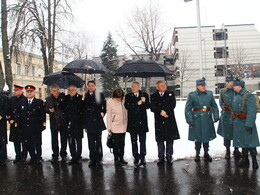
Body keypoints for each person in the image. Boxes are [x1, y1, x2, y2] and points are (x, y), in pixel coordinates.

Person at [185, 78, 219, 162]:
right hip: (197, 119)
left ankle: (206, 152)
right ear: (197, 86)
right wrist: (189, 119)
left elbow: (214, 106)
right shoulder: (192, 95)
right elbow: (188, 108)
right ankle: (197, 153)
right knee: (198, 137)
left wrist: (216, 116)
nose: (203, 87)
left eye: (204, 85)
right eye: (201, 85)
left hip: (207, 118)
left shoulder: (209, 94)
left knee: (206, 137)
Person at [231, 79, 259, 169]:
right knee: (242, 142)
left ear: (240, 86)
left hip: (246, 121)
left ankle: (254, 161)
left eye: (234, 86)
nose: (233, 87)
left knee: (251, 143)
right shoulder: (236, 95)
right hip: (238, 122)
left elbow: (252, 111)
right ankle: (245, 158)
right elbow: (234, 109)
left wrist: (249, 123)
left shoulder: (248, 95)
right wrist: (233, 119)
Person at [150, 81, 180, 166]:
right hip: (159, 121)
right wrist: (160, 111)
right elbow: (152, 107)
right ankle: (161, 157)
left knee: (170, 139)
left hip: (169, 119)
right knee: (160, 140)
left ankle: (169, 156)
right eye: (161, 85)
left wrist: (166, 111)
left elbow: (173, 105)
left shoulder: (170, 94)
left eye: (164, 85)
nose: (163, 86)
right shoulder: (153, 96)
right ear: (157, 87)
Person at [17, 85, 46, 164]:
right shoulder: (22, 102)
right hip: (25, 127)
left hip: (35, 127)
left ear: (34, 92)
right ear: (26, 93)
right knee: (28, 143)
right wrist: (19, 126)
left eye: (31, 92)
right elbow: (19, 115)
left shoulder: (39, 102)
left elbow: (42, 115)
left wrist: (42, 126)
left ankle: (38, 157)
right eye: (28, 92)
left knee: (37, 143)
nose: (29, 93)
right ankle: (33, 157)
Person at [125, 82, 149, 166]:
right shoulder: (128, 96)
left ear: (139, 87)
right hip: (132, 122)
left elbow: (148, 107)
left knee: (142, 141)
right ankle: (136, 157)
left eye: (134, 86)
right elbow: (127, 106)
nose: (132, 87)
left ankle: (143, 156)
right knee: (133, 141)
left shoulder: (144, 95)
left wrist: (144, 102)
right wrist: (136, 104)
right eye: (132, 86)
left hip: (142, 122)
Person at [83, 80, 106, 167]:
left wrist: (103, 112)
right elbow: (82, 107)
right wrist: (83, 98)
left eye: (92, 85)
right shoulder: (85, 95)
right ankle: (92, 158)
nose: (91, 87)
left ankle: (99, 158)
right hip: (89, 122)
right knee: (91, 142)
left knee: (98, 141)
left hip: (97, 121)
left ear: (95, 86)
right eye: (89, 86)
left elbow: (104, 106)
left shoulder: (100, 95)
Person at [217, 76, 241, 159]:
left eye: (233, 82)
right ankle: (227, 150)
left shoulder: (237, 91)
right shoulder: (223, 91)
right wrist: (224, 107)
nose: (232, 84)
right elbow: (221, 102)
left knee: (236, 133)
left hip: (236, 115)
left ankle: (236, 149)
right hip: (226, 115)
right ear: (226, 82)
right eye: (230, 82)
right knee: (226, 134)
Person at [45, 84, 67, 163]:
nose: (56, 92)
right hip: (54, 122)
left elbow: (67, 107)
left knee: (64, 139)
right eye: (54, 91)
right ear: (51, 91)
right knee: (54, 140)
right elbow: (45, 108)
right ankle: (55, 155)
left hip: (63, 121)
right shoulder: (48, 99)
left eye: (57, 90)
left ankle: (63, 154)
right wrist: (48, 110)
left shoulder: (63, 97)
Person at [63, 85, 84, 165]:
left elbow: (82, 108)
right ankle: (73, 156)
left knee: (78, 141)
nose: (71, 91)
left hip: (78, 123)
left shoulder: (80, 98)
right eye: (69, 90)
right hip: (69, 122)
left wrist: (83, 99)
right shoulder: (66, 98)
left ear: (76, 90)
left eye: (72, 90)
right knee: (71, 141)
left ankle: (78, 156)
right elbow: (62, 107)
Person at [107, 89, 128, 166]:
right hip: (114, 125)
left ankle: (121, 158)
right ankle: (116, 159)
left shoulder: (124, 101)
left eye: (120, 97)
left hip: (123, 125)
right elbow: (109, 115)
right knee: (115, 144)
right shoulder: (110, 102)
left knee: (122, 144)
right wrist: (109, 126)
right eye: (117, 97)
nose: (119, 99)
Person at [9, 85, 28, 163]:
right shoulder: (12, 99)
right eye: (15, 90)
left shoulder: (25, 100)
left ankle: (24, 156)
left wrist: (18, 120)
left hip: (22, 124)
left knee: (23, 141)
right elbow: (9, 110)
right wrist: (10, 119)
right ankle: (18, 156)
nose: (15, 92)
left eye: (17, 90)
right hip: (13, 124)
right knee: (16, 141)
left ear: (21, 91)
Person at [0, 90, 9, 165]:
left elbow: (6, 108)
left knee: (2, 141)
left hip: (1, 122)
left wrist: (1, 115)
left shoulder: (4, 98)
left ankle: (3, 158)